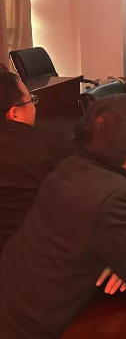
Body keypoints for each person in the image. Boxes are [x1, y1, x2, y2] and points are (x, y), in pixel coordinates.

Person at [0, 94, 126, 338]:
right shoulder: (114, 196)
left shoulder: (70, 167)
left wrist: (121, 256)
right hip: (39, 326)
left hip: (13, 302)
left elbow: (90, 235)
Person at [0, 72, 74, 253]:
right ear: (14, 113)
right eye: (31, 101)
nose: (34, 107)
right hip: (41, 255)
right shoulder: (52, 144)